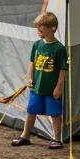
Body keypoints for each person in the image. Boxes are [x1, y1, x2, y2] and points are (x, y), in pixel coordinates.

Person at [12, 11, 68, 150]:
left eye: (41, 28)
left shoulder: (59, 49)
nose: (38, 31)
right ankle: (25, 136)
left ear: (53, 29)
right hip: (37, 87)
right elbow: (32, 62)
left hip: (51, 89)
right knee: (31, 110)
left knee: (54, 113)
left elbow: (62, 69)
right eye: (37, 28)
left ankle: (56, 139)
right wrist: (29, 77)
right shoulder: (37, 45)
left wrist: (59, 87)